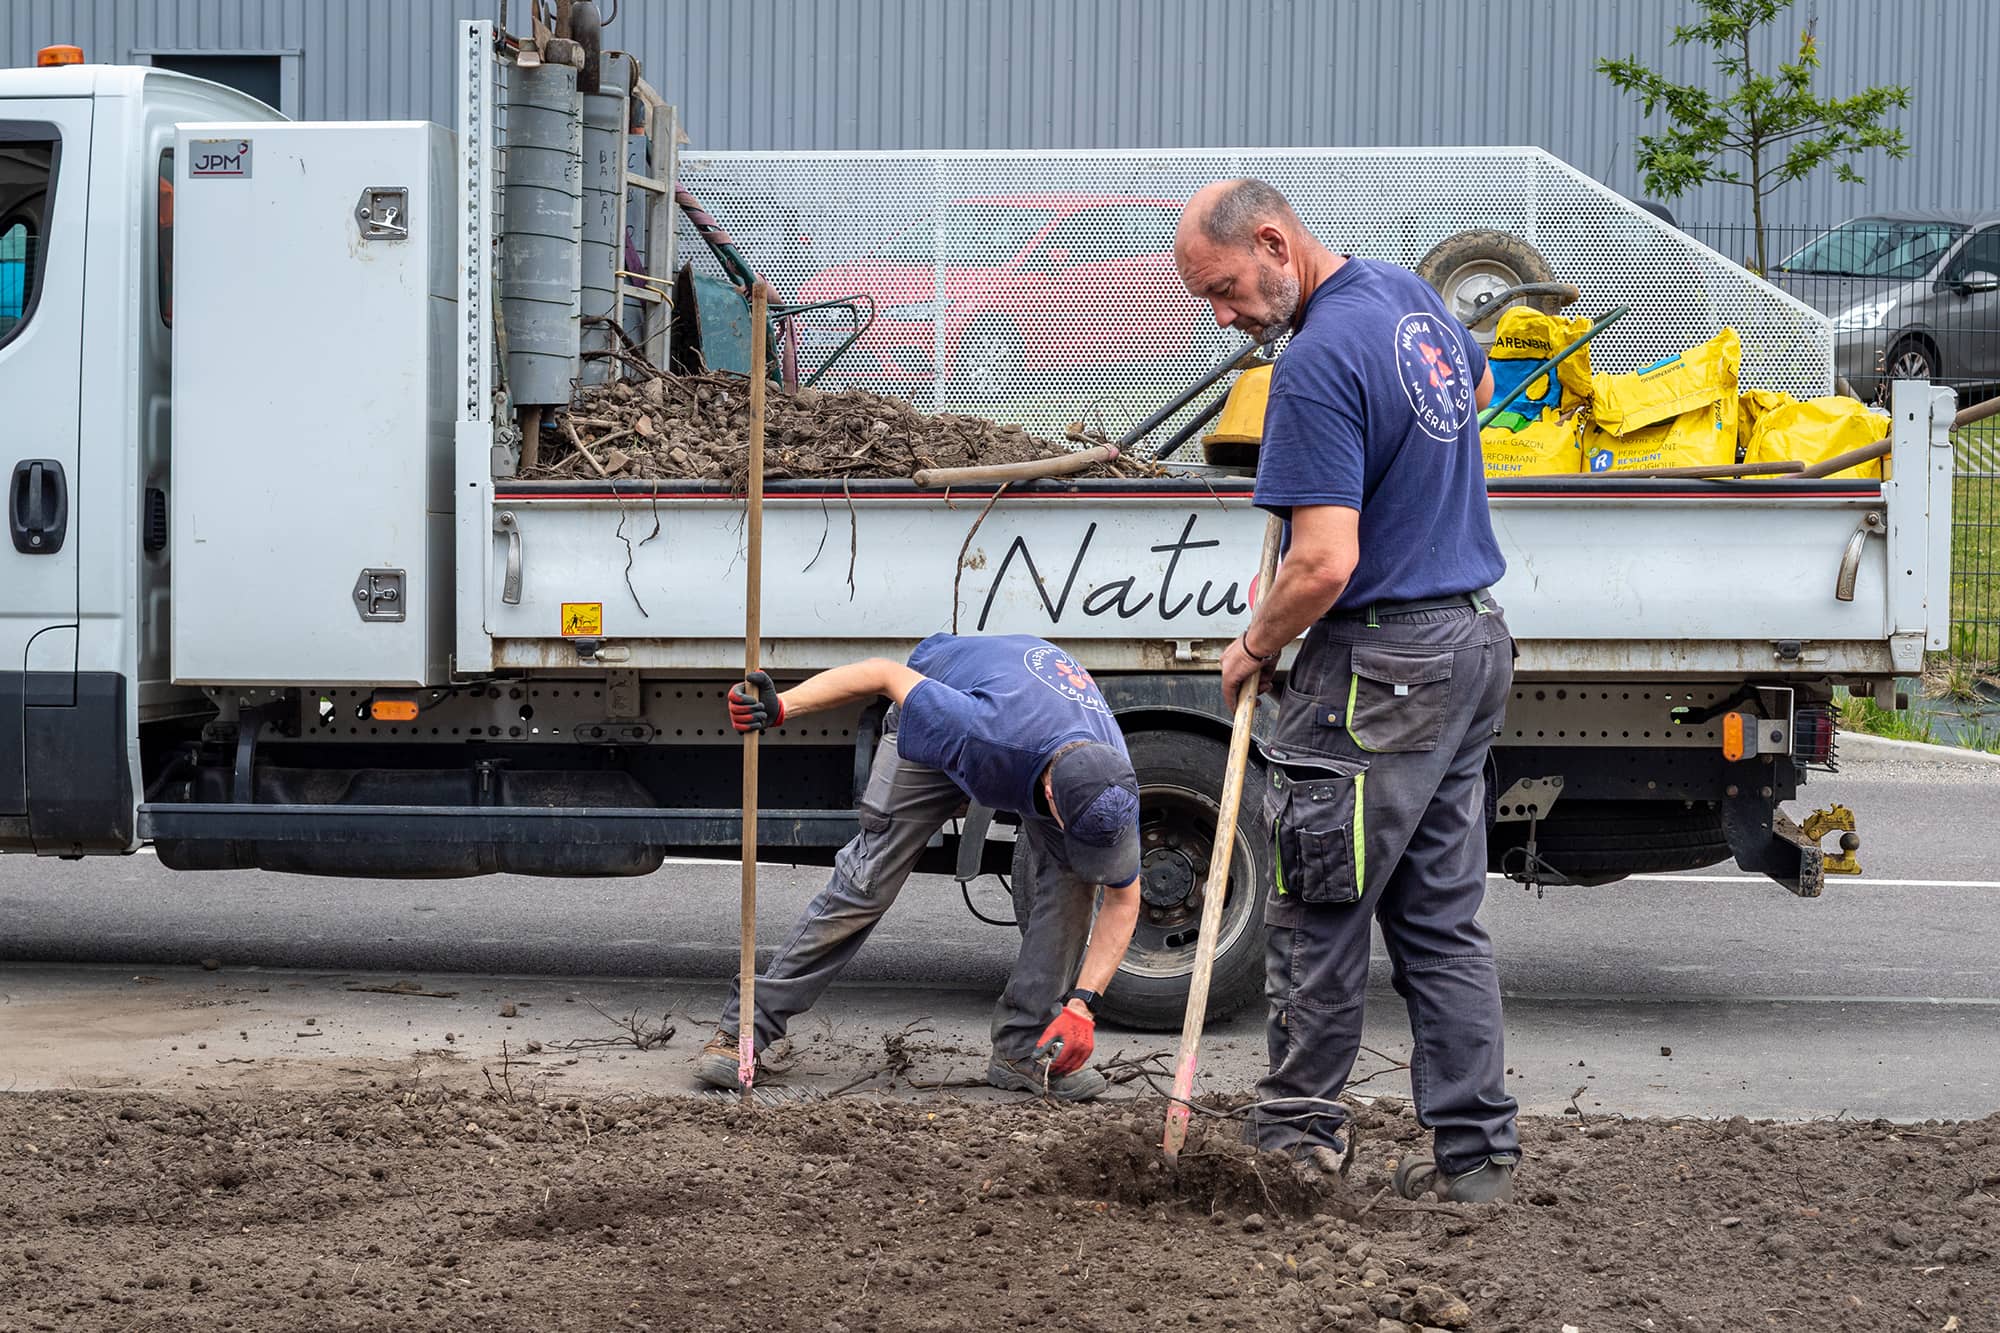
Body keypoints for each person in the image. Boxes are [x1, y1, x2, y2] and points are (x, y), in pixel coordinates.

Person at [1172, 179, 1520, 1203]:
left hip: (1378, 666)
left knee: (1317, 905)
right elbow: (1478, 373)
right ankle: (1476, 1156)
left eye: (1226, 289)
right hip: (1465, 640)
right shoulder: (1407, 298)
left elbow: (1321, 563)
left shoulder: (1318, 359)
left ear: (1273, 241)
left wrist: (1253, 640)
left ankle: (1291, 1149)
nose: (1223, 316)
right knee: (1436, 918)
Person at [695, 632, 1144, 1101]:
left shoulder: (1109, 784)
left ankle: (1021, 1050)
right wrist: (782, 707)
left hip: (1030, 736)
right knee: (867, 882)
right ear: (1052, 798)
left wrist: (1082, 1005)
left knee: (1074, 884)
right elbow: (881, 673)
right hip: (943, 724)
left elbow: (1122, 898)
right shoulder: (976, 728)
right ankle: (743, 1030)